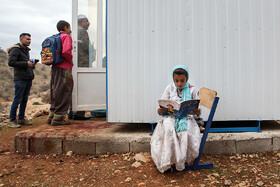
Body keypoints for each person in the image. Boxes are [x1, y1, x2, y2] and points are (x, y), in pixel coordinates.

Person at [150, 65, 201, 173]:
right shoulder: (169, 88)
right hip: (170, 116)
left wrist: (197, 111)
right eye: (176, 80)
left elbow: (197, 110)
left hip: (186, 118)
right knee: (168, 128)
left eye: (182, 81)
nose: (179, 83)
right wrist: (160, 111)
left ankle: (180, 161)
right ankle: (168, 161)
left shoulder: (192, 90)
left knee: (184, 131)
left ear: (187, 78)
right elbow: (162, 104)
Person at [46, 20, 74, 126]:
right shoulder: (66, 37)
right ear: (66, 27)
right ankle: (59, 117)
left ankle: (52, 115)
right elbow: (66, 51)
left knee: (55, 90)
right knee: (64, 90)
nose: (70, 30)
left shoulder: (56, 37)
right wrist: (71, 60)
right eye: (69, 27)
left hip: (55, 68)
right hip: (64, 68)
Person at [7, 33, 36, 128]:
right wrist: (26, 64)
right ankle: (12, 120)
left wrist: (31, 65)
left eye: (30, 39)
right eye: (27, 39)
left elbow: (24, 63)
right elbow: (11, 62)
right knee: (17, 99)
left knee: (24, 99)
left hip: (28, 78)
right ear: (21, 39)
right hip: (20, 79)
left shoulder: (26, 50)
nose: (29, 41)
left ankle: (21, 119)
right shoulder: (16, 49)